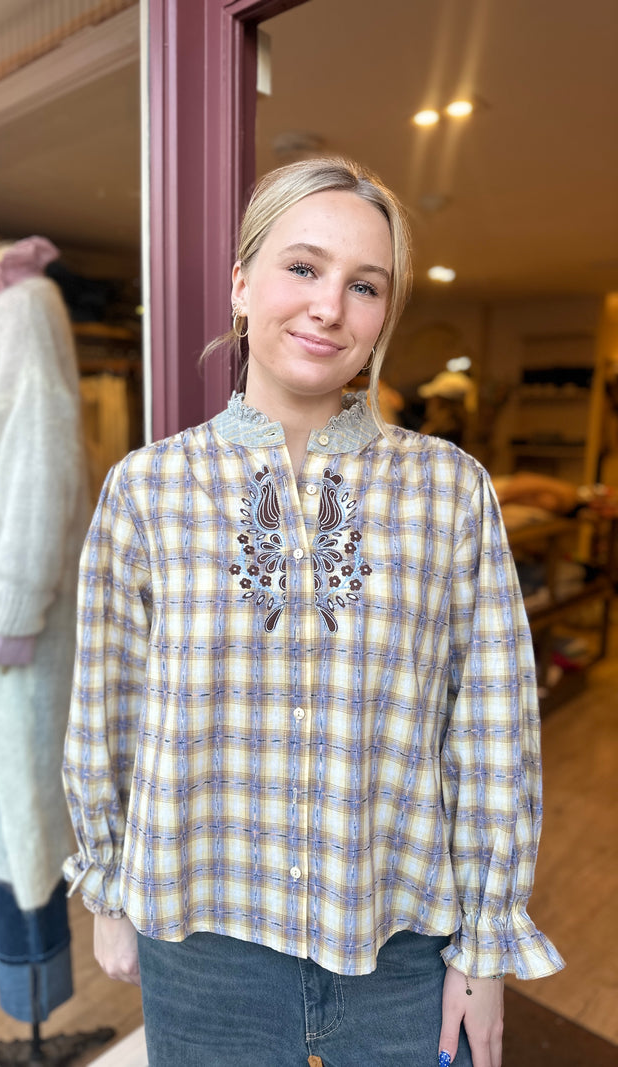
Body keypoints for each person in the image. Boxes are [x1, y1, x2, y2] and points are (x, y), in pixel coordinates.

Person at [63, 157, 564, 1067]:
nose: (330, 305)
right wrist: (105, 886)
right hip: (201, 943)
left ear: (383, 316)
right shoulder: (146, 489)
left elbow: (490, 724)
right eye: (303, 267)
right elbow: (110, 705)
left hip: (401, 945)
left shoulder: (450, 490)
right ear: (241, 283)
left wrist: (486, 950)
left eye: (364, 284)